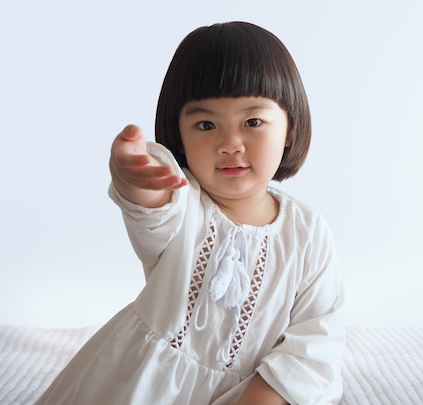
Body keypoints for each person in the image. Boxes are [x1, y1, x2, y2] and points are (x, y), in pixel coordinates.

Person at [36, 22, 345, 405]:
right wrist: (134, 178)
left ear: (290, 131)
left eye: (252, 122)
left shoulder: (308, 232)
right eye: (205, 124)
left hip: (248, 392)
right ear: (179, 136)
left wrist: (266, 393)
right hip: (144, 384)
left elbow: (317, 335)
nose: (230, 144)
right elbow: (152, 208)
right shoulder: (183, 204)